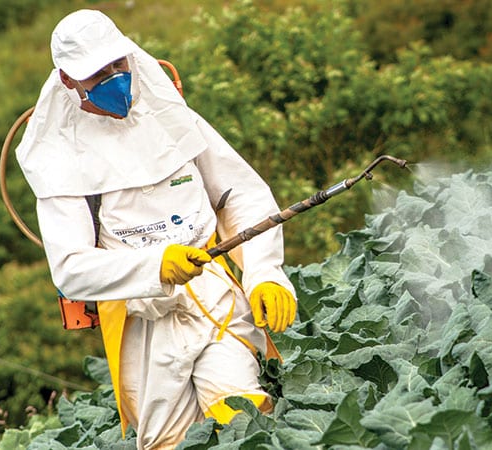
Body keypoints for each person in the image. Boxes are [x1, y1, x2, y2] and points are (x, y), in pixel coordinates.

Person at [15, 9, 297, 449]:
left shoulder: (169, 114)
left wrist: (264, 272)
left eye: (117, 65)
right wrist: (155, 265)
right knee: (169, 442)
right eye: (97, 74)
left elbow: (241, 195)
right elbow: (70, 269)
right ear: (69, 81)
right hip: (143, 323)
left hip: (214, 296)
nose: (114, 78)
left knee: (242, 418)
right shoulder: (58, 156)